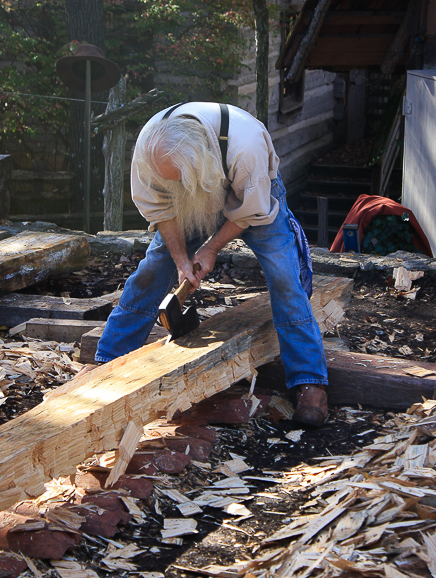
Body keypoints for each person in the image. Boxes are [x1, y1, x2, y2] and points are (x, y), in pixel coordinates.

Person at [92, 101, 328, 426]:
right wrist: (180, 260)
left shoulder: (246, 147)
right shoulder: (149, 151)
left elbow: (250, 211)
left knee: (285, 277)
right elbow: (163, 211)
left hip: (253, 194)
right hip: (189, 200)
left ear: (198, 164)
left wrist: (211, 248)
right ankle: (108, 360)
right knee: (152, 269)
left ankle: (309, 380)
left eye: (177, 178)